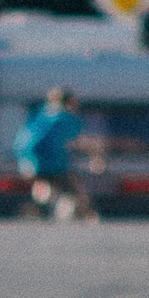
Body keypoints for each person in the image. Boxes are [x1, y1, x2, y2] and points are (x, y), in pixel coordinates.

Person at [16, 85, 94, 220]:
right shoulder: (64, 117)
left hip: (28, 160)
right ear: (69, 102)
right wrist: (95, 155)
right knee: (74, 189)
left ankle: (37, 208)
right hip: (52, 161)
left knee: (45, 184)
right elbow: (80, 141)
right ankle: (71, 215)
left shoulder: (40, 113)